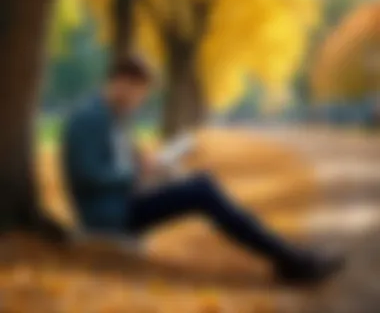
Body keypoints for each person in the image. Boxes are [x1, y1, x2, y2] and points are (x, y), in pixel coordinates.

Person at [62, 55, 344, 284]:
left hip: (123, 201)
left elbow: (112, 163)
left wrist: (142, 162)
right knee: (202, 191)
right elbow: (87, 175)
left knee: (200, 185)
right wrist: (134, 173)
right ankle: (291, 260)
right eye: (140, 92)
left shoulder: (112, 115)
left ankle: (289, 257)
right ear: (122, 83)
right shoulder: (89, 118)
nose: (141, 100)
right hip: (110, 215)